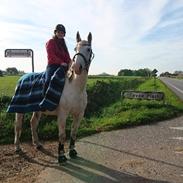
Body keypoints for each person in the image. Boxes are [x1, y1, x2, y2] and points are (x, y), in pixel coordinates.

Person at [44, 24, 71, 93]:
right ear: (55, 33)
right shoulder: (51, 42)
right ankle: (44, 98)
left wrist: (71, 63)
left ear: (64, 34)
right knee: (48, 80)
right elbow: (51, 56)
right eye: (58, 32)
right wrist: (61, 62)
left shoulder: (64, 45)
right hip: (53, 66)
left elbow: (67, 57)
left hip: (64, 66)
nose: (60, 34)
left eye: (62, 33)